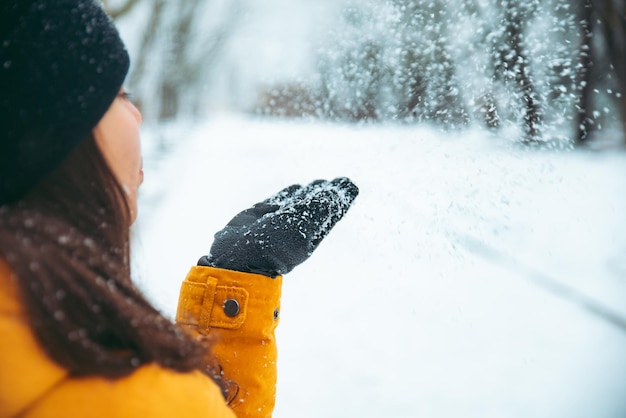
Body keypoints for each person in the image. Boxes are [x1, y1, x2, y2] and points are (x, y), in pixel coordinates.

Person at [0, 1, 358, 417]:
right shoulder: (129, 398)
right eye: (118, 94)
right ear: (46, 138)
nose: (136, 114)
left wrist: (232, 291)